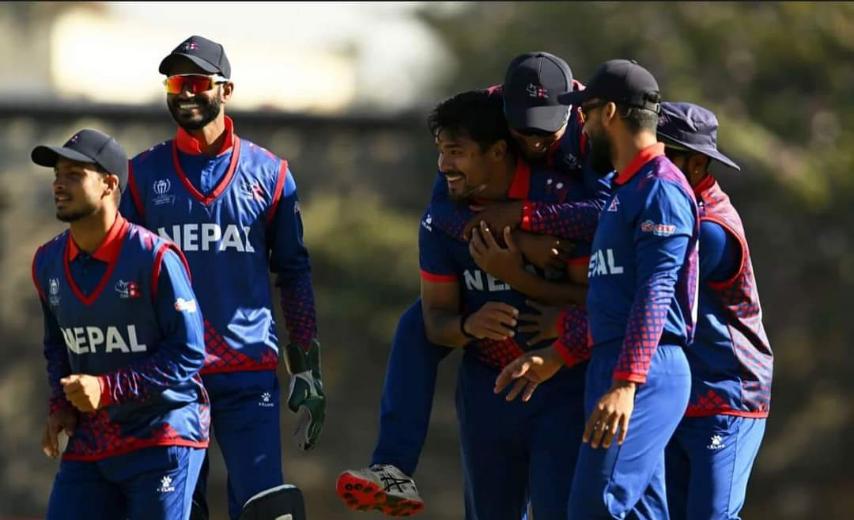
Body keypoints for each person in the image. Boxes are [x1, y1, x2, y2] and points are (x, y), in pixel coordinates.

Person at [337, 53, 609, 517]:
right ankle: (392, 469)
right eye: (526, 131)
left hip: (563, 378)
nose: (537, 142)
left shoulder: (585, 140)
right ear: (505, 125)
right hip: (489, 387)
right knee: (414, 326)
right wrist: (471, 315)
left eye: (549, 131)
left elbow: (611, 222)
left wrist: (526, 231)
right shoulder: (472, 128)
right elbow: (438, 215)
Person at [120, 35, 321, 520]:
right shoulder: (142, 175)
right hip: (171, 379)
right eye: (174, 83)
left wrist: (308, 362)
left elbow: (292, 272)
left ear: (225, 90)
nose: (184, 94)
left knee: (262, 509)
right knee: (173, 512)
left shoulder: (270, 174)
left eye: (195, 82)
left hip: (249, 375)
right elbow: (124, 279)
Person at [498, 59, 701, 518]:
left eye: (585, 115)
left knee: (595, 507)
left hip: (645, 370)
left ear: (608, 112)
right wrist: (559, 354)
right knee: (641, 513)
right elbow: (612, 302)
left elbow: (656, 292)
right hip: (612, 362)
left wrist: (626, 384)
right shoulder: (623, 194)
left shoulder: (660, 189)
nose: (582, 129)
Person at [31, 129, 208, 520]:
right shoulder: (47, 262)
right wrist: (61, 404)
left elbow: (189, 352)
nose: (59, 184)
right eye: (57, 174)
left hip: (161, 436)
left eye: (74, 174)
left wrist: (107, 388)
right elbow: (57, 345)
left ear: (110, 183)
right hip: (93, 439)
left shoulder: (155, 258)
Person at [657, 101, 773, 520]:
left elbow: (649, 289)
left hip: (727, 394)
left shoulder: (710, 228)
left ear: (698, 163)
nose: (659, 166)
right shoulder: (669, 207)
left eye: (669, 155)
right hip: (680, 396)